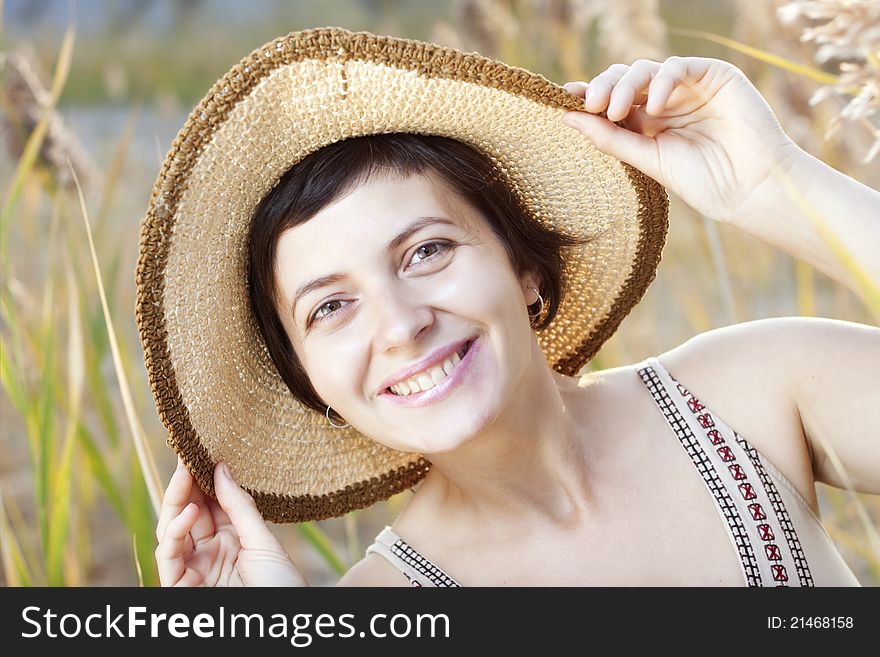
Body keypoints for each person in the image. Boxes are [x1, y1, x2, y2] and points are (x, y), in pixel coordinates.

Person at [141, 28, 879, 587]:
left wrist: (779, 187)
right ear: (309, 381)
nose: (401, 326)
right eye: (331, 307)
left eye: (426, 251)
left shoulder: (749, 392)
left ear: (524, 265)